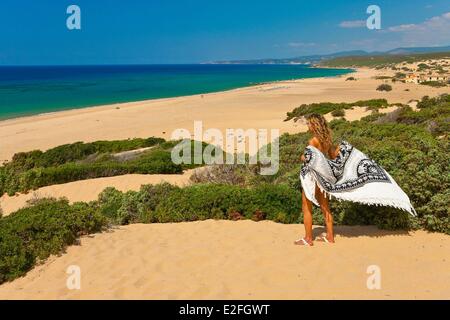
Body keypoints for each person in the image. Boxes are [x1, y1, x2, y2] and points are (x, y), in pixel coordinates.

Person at [295, 114, 340, 246]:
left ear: (314, 125)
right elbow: (332, 156)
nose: (308, 126)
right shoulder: (327, 140)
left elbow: (310, 159)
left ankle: (308, 239)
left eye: (309, 123)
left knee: (306, 207)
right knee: (325, 206)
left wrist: (302, 157)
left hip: (311, 177)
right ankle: (330, 236)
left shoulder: (313, 141)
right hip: (322, 177)